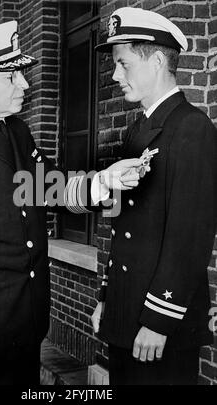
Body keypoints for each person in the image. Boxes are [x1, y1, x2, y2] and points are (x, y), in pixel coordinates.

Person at [0, 20, 143, 385]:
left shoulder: (16, 132)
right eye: (11, 77)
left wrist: (104, 182)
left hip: (25, 325)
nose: (24, 83)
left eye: (21, 73)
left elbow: (47, 190)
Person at [91, 7, 217, 385]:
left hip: (160, 325)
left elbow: (189, 238)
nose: (115, 75)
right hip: (127, 314)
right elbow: (125, 229)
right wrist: (106, 298)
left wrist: (160, 320)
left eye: (124, 64)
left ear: (159, 61)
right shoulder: (139, 130)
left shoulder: (193, 130)